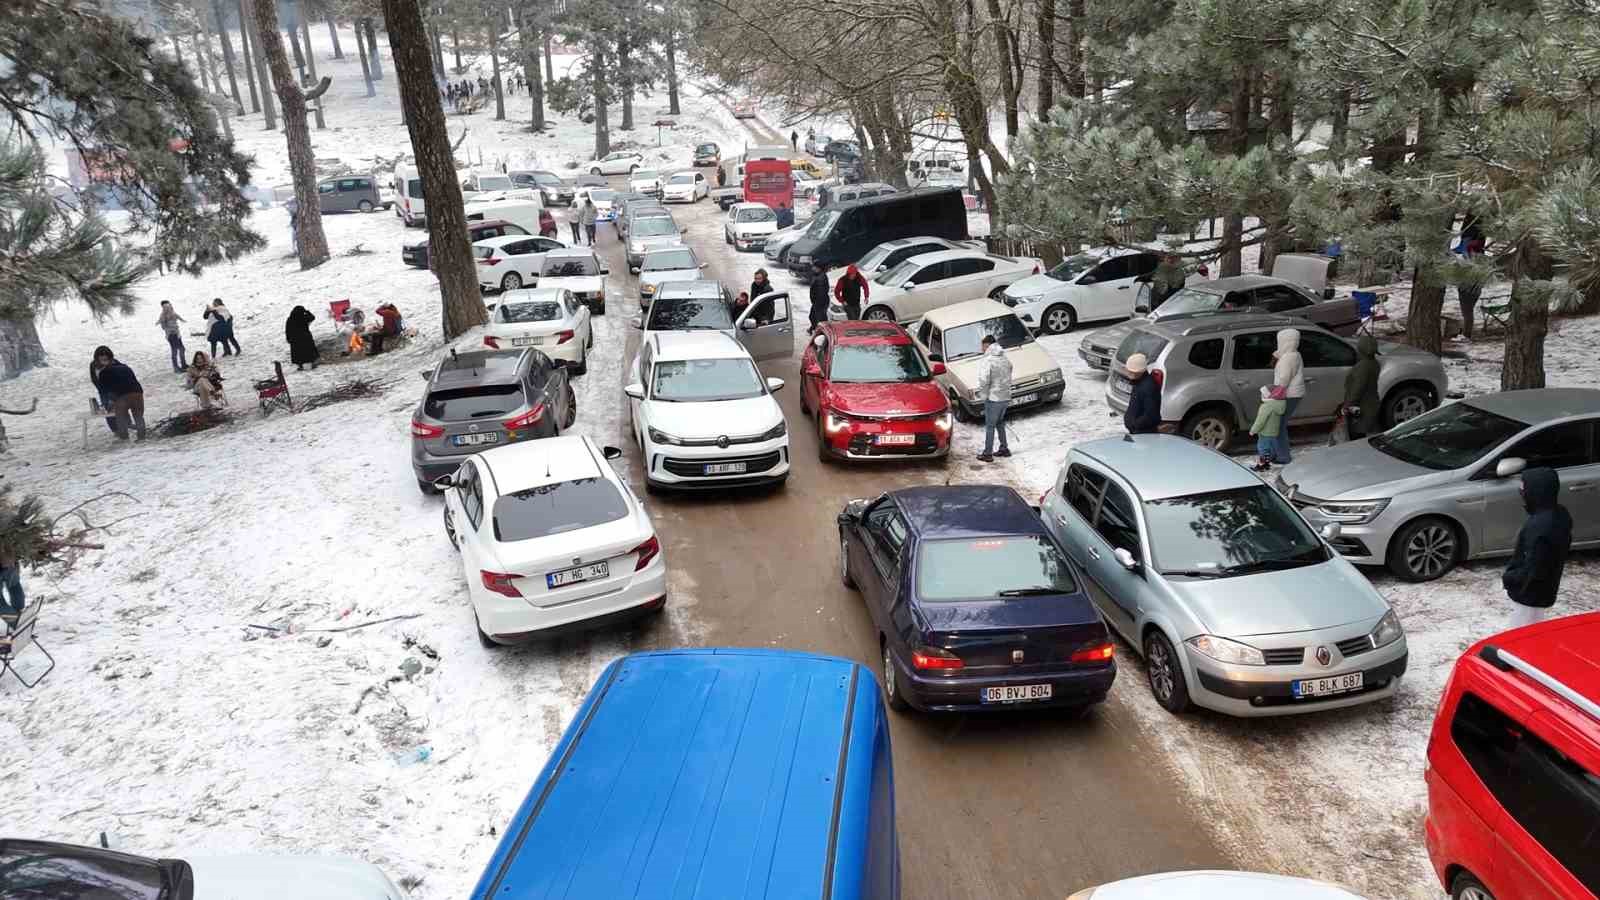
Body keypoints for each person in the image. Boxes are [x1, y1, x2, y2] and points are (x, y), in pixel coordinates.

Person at [1503, 467, 1573, 629]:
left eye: (1524, 489)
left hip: (1529, 594)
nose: (1522, 493)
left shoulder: (1541, 525)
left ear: (1537, 491)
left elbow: (1534, 566)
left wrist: (1510, 578)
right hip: (1541, 590)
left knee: (1522, 633)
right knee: (1533, 627)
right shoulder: (1558, 513)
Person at [974, 334, 1013, 462]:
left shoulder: (988, 360)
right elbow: (1010, 369)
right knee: (1000, 422)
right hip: (1005, 396)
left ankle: (987, 453)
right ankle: (1004, 448)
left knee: (990, 426)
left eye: (982, 346)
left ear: (987, 345)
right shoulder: (1004, 357)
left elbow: (984, 380)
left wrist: (984, 395)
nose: (981, 349)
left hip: (993, 398)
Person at [94, 347, 147, 441]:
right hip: (137, 393)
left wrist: (108, 402)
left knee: (120, 419)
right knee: (138, 417)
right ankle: (142, 438)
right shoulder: (125, 367)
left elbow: (104, 390)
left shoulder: (103, 373)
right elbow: (134, 380)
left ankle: (124, 439)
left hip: (122, 396)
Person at [1270, 328, 1305, 463]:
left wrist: (1274, 394)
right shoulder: (1294, 354)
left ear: (1284, 342)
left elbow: (1284, 379)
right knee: (1278, 425)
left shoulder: (1288, 358)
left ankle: (1283, 456)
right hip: (1292, 394)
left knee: (1278, 426)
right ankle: (1276, 453)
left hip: (1288, 394)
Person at [1342, 335, 1381, 439]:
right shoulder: (1374, 363)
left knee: (1357, 436)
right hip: (1370, 404)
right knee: (1362, 434)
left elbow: (1358, 388)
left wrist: (1348, 405)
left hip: (1361, 407)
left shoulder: (1363, 366)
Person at [1249, 386, 1287, 472]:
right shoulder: (1279, 404)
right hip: (1273, 432)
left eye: (1262, 394)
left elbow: (1260, 421)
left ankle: (1262, 465)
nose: (1261, 396)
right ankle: (1266, 464)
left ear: (1268, 395)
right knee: (1269, 449)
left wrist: (1253, 430)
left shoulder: (1266, 406)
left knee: (1262, 449)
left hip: (1265, 432)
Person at [1122, 352, 1162, 434]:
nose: (1127, 373)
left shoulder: (1148, 388)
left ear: (1137, 372)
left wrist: (1135, 425)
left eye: (1130, 371)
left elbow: (1151, 415)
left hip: (1144, 433)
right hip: (1137, 431)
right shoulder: (1137, 382)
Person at [89, 345, 120, 434]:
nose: (103, 358)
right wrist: (101, 389)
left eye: (105, 356)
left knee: (120, 408)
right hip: (103, 391)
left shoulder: (115, 363)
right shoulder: (93, 365)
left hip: (116, 390)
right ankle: (115, 430)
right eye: (101, 356)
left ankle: (125, 426)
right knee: (108, 411)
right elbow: (94, 379)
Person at [286, 305, 319, 371]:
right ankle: (310, 364)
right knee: (308, 351)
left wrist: (288, 338)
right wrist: (307, 311)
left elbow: (287, 329)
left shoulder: (290, 319)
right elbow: (312, 317)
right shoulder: (303, 317)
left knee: (297, 352)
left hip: (294, 339)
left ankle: (300, 365)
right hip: (305, 338)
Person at [157, 300, 186, 373]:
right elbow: (163, 327)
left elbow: (178, 317)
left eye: (169, 306)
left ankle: (184, 365)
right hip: (171, 335)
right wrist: (169, 328)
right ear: (163, 307)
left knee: (182, 349)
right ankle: (176, 368)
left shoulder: (173, 312)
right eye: (166, 306)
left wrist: (182, 320)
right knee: (175, 351)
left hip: (177, 334)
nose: (169, 307)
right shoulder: (163, 315)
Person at [0, 545, 23, 625]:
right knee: (14, 586)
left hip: (8, 561)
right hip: (9, 560)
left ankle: (15, 621)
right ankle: (19, 612)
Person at [807, 262, 830, 332]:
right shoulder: (816, 275)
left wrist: (818, 303)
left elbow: (822, 292)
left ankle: (823, 333)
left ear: (818, 268)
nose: (812, 268)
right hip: (816, 301)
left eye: (814, 267)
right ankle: (814, 328)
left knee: (821, 320)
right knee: (812, 316)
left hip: (820, 302)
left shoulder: (821, 278)